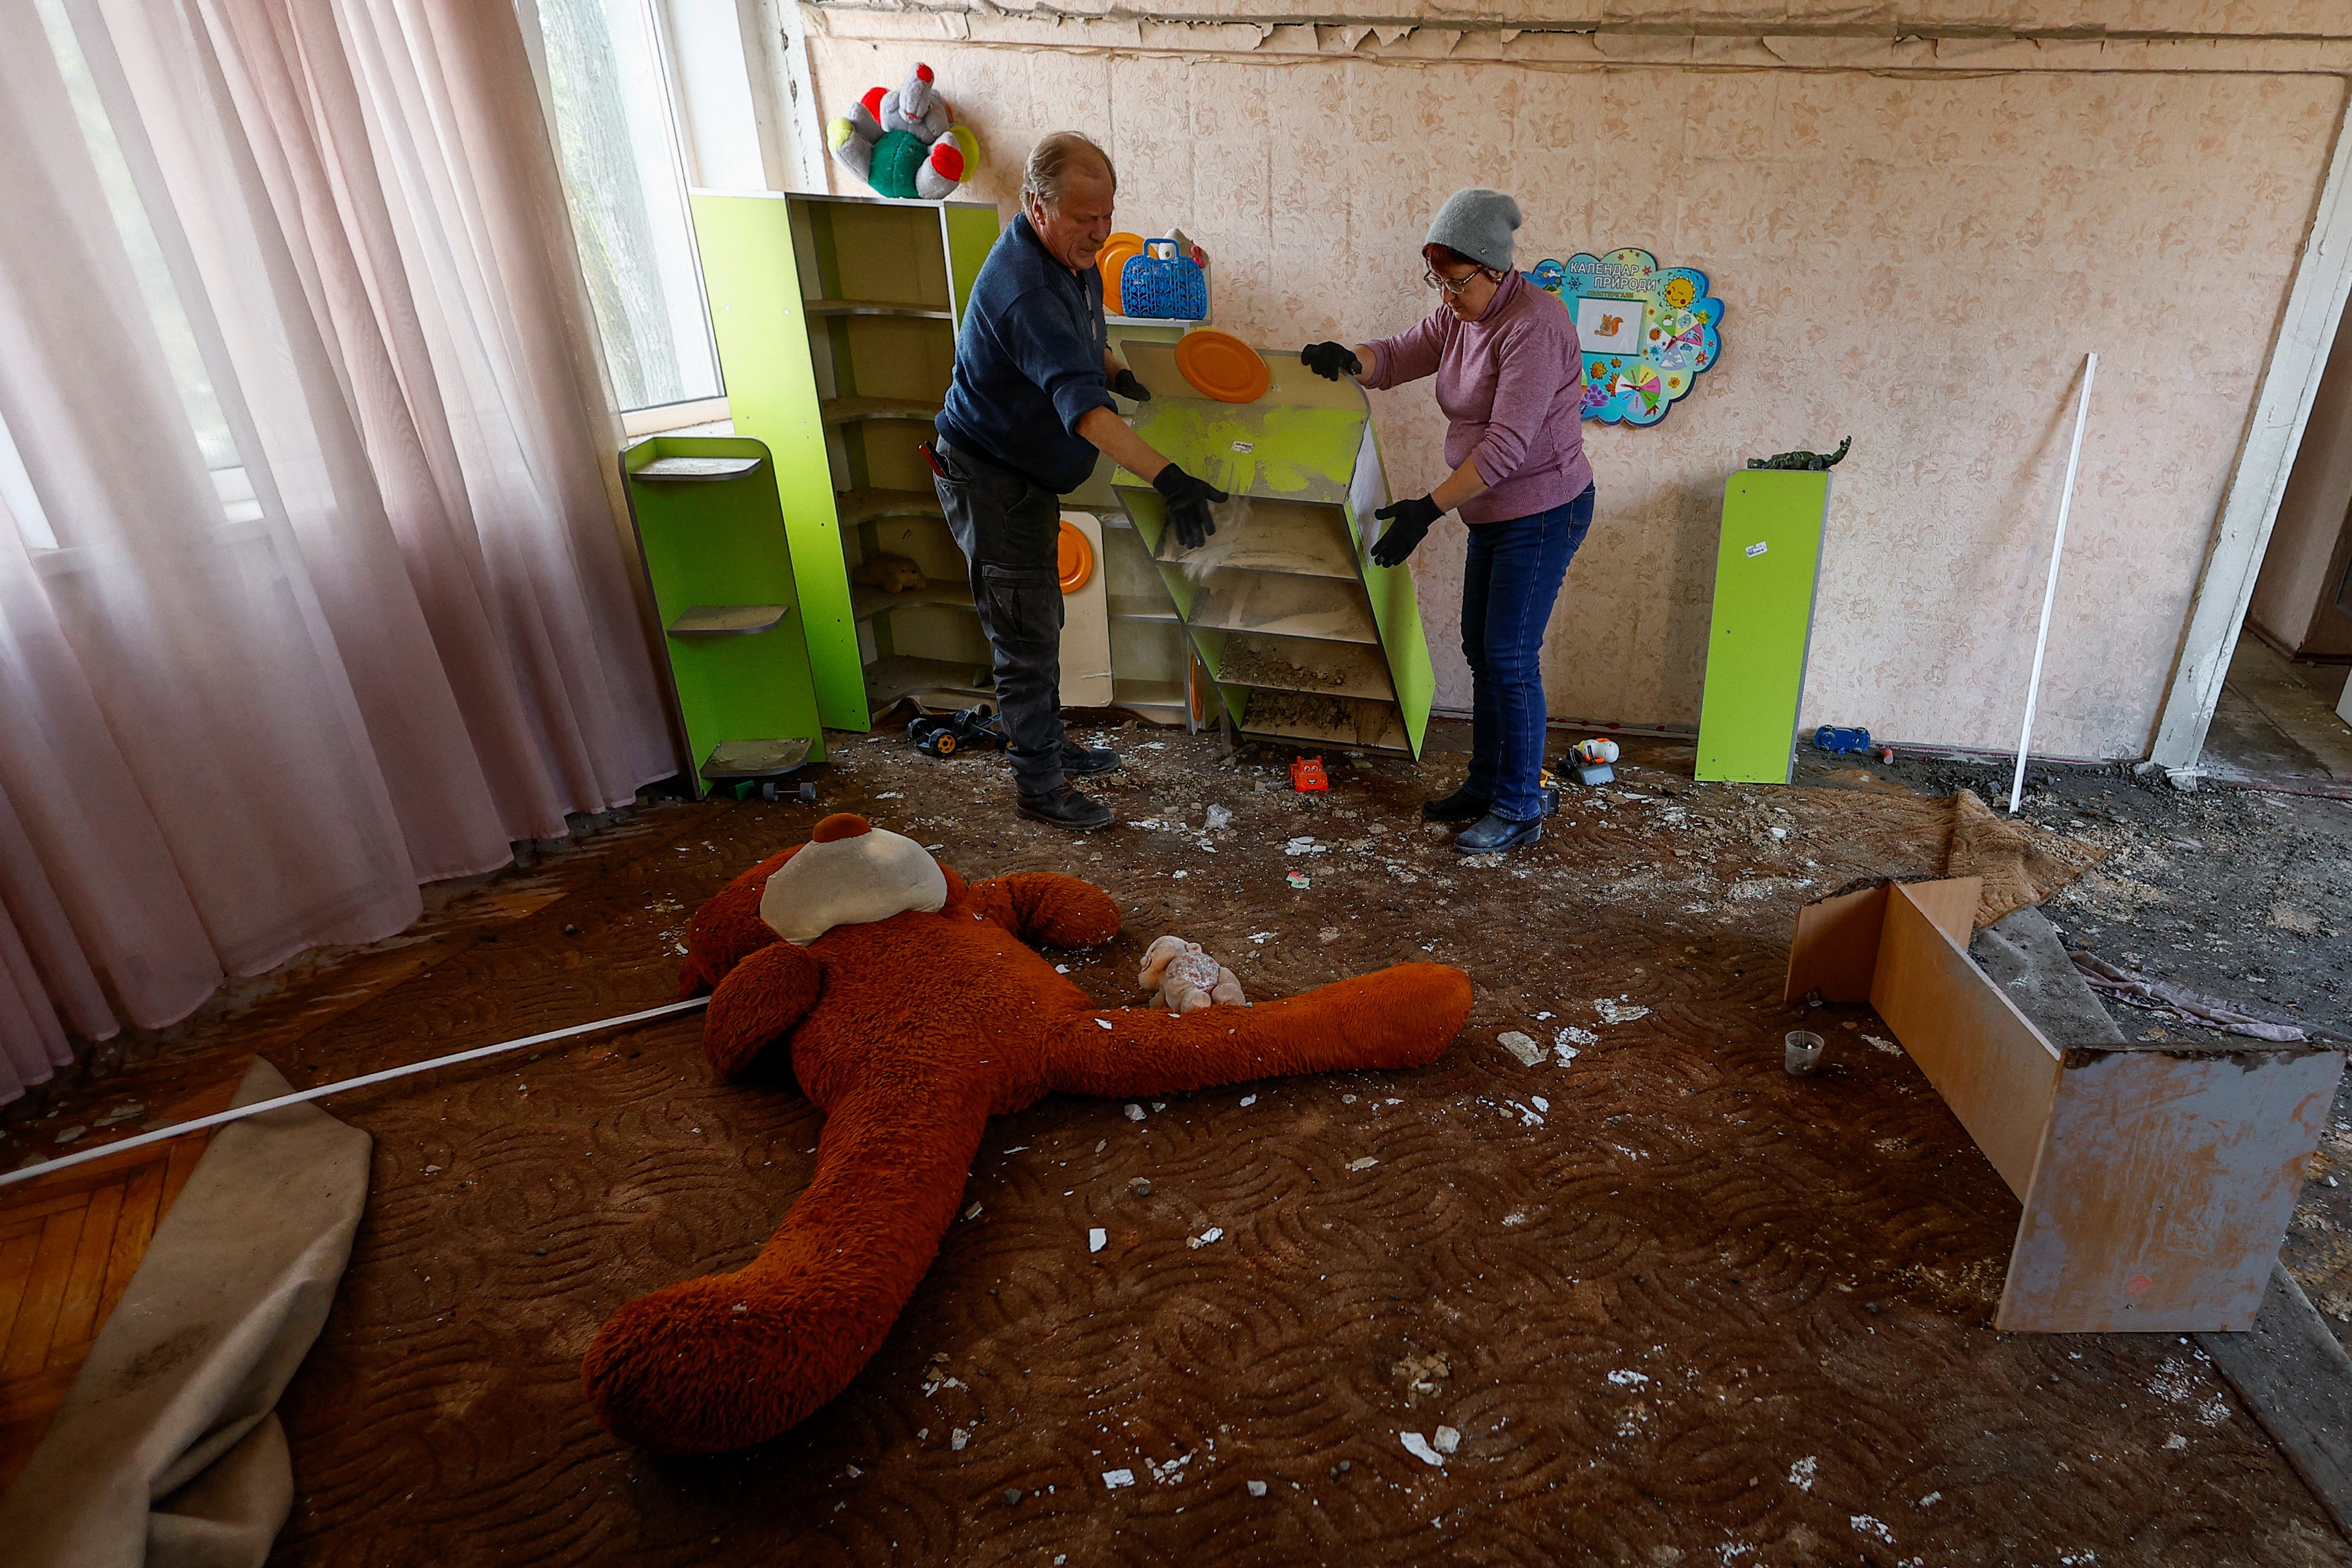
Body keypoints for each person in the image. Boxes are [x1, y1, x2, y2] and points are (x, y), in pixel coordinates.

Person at [928, 132, 1228, 831]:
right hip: (988, 475)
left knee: (1040, 616)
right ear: (1037, 206)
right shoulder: (1022, 288)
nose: (1098, 233)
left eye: (1106, 216)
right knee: (1023, 628)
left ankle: (1047, 743)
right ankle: (1039, 785)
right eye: (1082, 219)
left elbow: (1083, 336)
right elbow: (1086, 415)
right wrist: (1169, 477)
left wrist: (1122, 371)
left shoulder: (1073, 258)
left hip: (1026, 473)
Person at [1299, 187, 1595, 856]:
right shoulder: (1462, 316)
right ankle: (1488, 782)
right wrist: (1350, 359)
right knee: (1481, 649)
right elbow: (1400, 353)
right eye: (1435, 278)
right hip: (1491, 507)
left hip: (1544, 508)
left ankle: (1520, 807)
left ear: (1494, 268)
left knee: (1509, 658)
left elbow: (1505, 448)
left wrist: (1425, 510)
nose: (1445, 295)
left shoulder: (1535, 326)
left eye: (1455, 281)